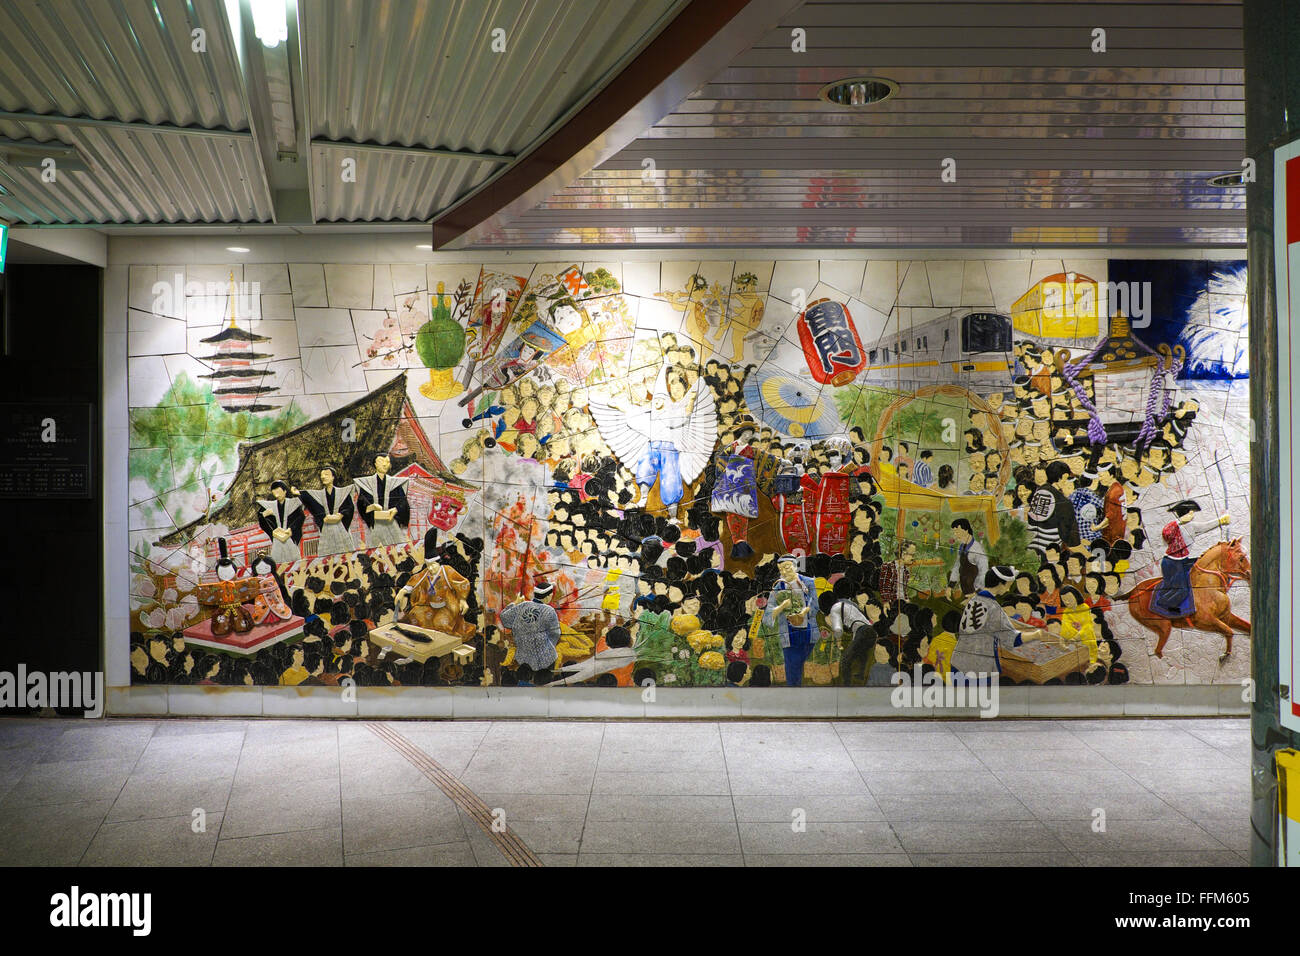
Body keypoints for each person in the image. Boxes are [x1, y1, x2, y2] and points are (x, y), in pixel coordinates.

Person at [1152, 500, 1231, 617]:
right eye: (1191, 513)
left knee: (1203, 564)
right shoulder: (1175, 527)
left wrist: (1221, 521)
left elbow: (1206, 526)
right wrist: (1179, 522)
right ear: (1187, 514)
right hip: (1172, 563)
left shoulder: (1192, 526)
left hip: (1182, 560)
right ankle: (1164, 603)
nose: (1193, 515)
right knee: (1182, 590)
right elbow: (1166, 534)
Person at [764, 555, 820, 687]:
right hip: (789, 635)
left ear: (795, 567)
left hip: (809, 633)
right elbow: (768, 616)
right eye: (780, 569)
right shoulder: (778, 587)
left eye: (787, 568)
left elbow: (815, 604)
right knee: (793, 669)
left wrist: (803, 612)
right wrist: (782, 606)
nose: (783, 572)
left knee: (805, 666)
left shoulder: (808, 582)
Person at [500, 582, 563, 671]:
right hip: (546, 659)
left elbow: (504, 619)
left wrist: (515, 603)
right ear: (547, 596)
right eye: (551, 595)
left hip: (523, 660)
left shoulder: (522, 606)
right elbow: (555, 633)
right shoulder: (549, 611)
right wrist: (546, 648)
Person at [354, 453, 411, 548]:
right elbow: (362, 503)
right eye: (381, 461)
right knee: (376, 549)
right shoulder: (366, 483)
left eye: (387, 462)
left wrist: (395, 510)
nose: (384, 464)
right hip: (376, 523)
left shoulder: (395, 483)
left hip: (392, 522)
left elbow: (403, 502)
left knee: (399, 548)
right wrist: (372, 506)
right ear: (375, 464)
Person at [299, 466, 356, 556]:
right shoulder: (318, 495)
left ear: (333, 477)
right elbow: (311, 502)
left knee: (346, 555)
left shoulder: (343, 492)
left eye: (326, 474)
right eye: (322, 475)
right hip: (327, 530)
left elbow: (349, 508)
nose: (323, 477)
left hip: (341, 527)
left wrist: (340, 515)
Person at [257, 479, 305, 565]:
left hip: (289, 536)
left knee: (294, 560)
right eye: (274, 493)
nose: (277, 495)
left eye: (278, 492)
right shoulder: (270, 505)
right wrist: (264, 515)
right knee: (277, 562)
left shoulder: (293, 503)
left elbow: (300, 517)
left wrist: (291, 529)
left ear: (285, 491)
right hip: (277, 538)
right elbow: (261, 519)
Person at [947, 519, 988, 599]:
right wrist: (950, 586)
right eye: (954, 532)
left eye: (957, 531)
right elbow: (957, 565)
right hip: (965, 590)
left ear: (966, 530)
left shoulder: (977, 549)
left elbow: (984, 572)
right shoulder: (962, 546)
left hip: (975, 592)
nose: (955, 534)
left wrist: (977, 592)